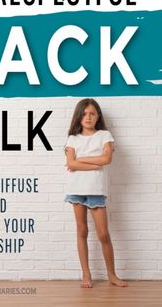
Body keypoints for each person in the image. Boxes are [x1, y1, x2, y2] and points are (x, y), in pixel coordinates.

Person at [64, 98, 127, 288]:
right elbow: (71, 163)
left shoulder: (105, 135)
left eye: (92, 113)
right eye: (84, 114)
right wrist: (94, 161)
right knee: (82, 230)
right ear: (79, 116)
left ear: (98, 115)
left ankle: (112, 275)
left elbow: (107, 159)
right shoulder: (72, 139)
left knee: (103, 234)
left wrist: (81, 159)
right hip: (76, 190)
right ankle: (86, 274)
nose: (88, 117)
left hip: (96, 191)